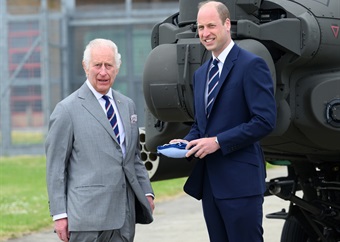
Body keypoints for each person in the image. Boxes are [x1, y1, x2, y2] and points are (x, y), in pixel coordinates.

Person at [170, 1, 277, 242]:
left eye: (211, 26)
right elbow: (201, 126)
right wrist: (185, 143)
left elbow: (265, 120)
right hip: (211, 185)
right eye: (200, 27)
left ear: (227, 24)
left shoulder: (251, 65)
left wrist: (218, 142)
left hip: (241, 184)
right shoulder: (201, 74)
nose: (205, 33)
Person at [45, 38, 155, 242]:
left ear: (117, 68)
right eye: (97, 65)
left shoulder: (127, 105)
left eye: (109, 65)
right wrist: (59, 214)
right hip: (87, 220)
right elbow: (55, 167)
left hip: (124, 217)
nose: (103, 72)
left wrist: (146, 191)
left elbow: (134, 157)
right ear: (86, 67)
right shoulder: (66, 110)